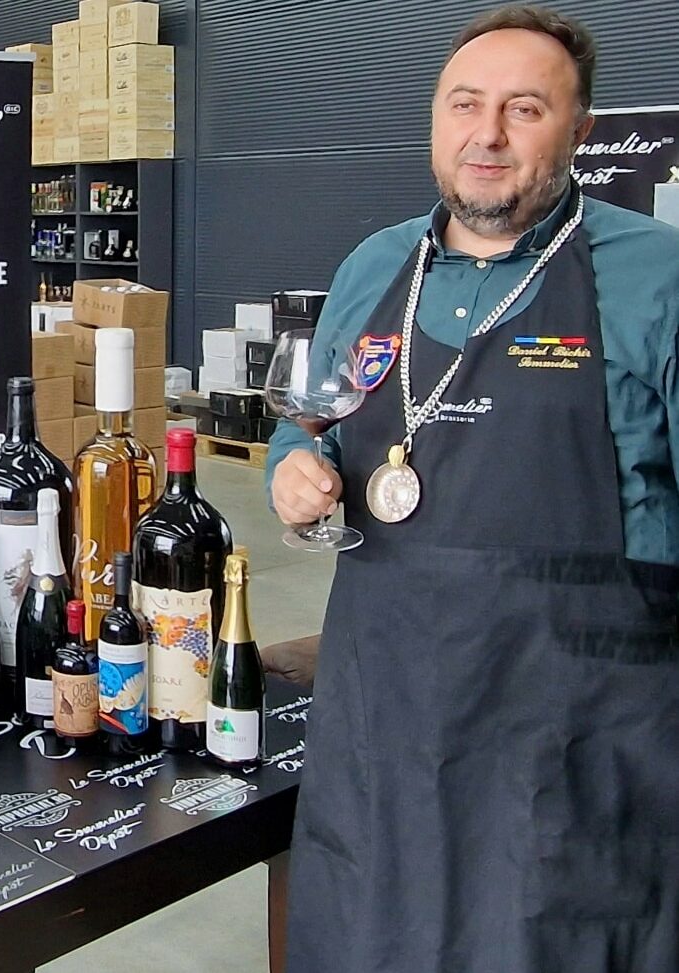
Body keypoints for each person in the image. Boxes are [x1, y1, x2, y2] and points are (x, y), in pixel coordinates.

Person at [265, 6, 679, 971]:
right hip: (387, 713)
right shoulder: (375, 266)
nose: (485, 135)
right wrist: (292, 463)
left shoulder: (654, 275)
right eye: (464, 104)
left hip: (581, 728)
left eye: (523, 109)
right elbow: (311, 415)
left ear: (578, 132)